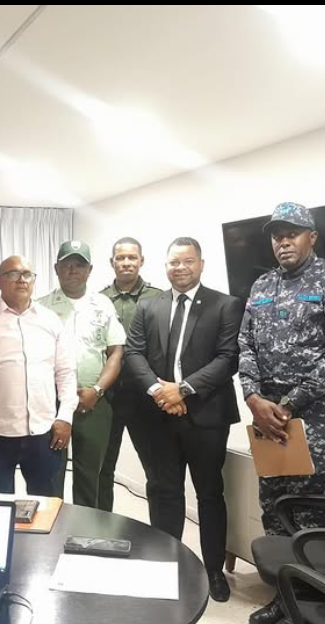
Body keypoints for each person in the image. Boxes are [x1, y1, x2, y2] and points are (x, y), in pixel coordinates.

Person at [238, 202, 325, 624]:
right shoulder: (262, 285)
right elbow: (245, 345)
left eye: (292, 233)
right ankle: (283, 596)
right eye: (277, 235)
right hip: (266, 420)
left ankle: (311, 608)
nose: (283, 242)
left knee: (311, 514)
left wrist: (289, 403)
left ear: (312, 237)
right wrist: (253, 397)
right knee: (274, 508)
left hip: (313, 421)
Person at [125, 237, 243, 602]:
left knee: (209, 494)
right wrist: (160, 392)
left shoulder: (226, 305)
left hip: (206, 416)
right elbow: (134, 352)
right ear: (165, 266)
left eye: (187, 261)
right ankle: (166, 562)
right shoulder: (149, 305)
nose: (180, 268)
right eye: (174, 262)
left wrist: (184, 390)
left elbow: (228, 358)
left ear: (201, 264)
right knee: (166, 493)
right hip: (159, 415)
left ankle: (213, 570)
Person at [0, 256, 78, 498]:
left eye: (27, 274)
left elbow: (66, 373)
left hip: (45, 432)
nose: (22, 280)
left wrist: (65, 417)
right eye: (13, 274)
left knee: (48, 505)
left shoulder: (51, 320)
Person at [38, 241, 125, 507]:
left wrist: (97, 391)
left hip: (92, 401)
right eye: (66, 265)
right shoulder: (40, 307)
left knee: (90, 476)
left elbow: (116, 353)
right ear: (56, 269)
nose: (72, 270)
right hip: (51, 403)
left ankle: (86, 530)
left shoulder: (103, 305)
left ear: (89, 270)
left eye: (79, 265)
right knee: (50, 476)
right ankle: (51, 530)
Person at [98, 237, 162, 512]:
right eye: (120, 257)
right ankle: (100, 528)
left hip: (145, 396)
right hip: (108, 395)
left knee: (157, 470)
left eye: (132, 257)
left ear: (141, 260)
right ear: (112, 262)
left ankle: (159, 531)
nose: (126, 263)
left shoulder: (159, 298)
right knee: (102, 469)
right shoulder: (98, 300)